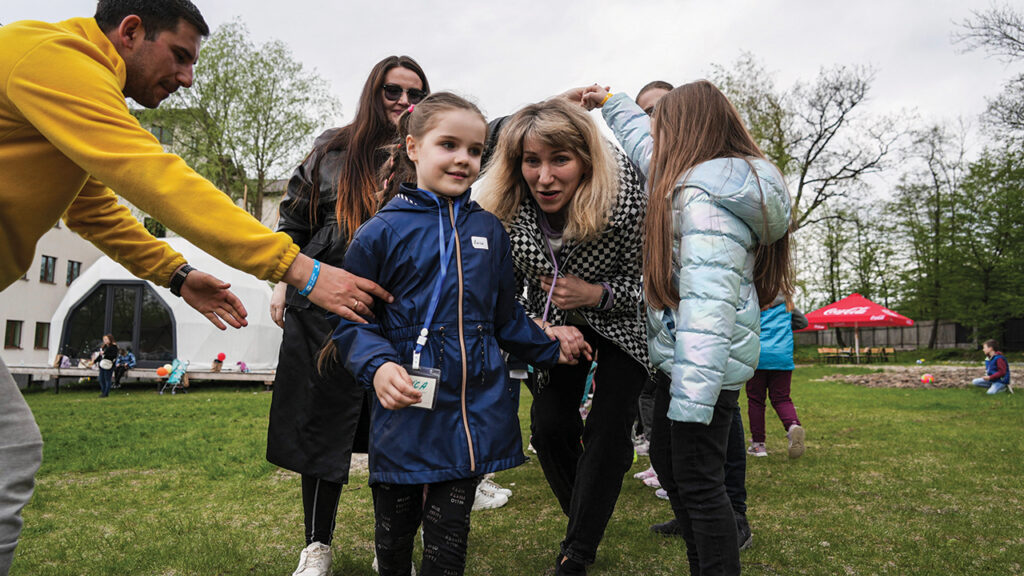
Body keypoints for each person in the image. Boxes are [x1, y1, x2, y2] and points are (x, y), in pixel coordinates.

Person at [0, 3, 390, 574]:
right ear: (131, 30)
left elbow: (92, 208)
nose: (187, 77)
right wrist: (297, 268)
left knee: (11, 454)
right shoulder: (55, 61)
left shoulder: (69, 91)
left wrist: (177, 275)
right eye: (180, 56)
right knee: (10, 457)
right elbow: (155, 176)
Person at [329, 92, 579, 576]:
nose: (463, 159)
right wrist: (378, 365)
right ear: (413, 148)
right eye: (449, 145)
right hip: (406, 409)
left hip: (472, 415)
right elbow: (350, 320)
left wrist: (554, 345)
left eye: (474, 150)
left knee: (449, 541)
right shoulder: (379, 232)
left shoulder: (489, 229)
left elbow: (507, 318)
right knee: (395, 538)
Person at [587, 80, 792, 575]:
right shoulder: (692, 177)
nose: (653, 133)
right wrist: (609, 104)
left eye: (662, 124)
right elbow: (644, 146)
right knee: (675, 467)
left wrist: (691, 397)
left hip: (699, 370)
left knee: (699, 483)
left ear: (683, 131)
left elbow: (708, 304)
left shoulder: (703, 201)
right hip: (681, 363)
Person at [264, 55, 429, 576]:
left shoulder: (428, 153)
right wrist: (281, 279)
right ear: (372, 93)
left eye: (416, 94)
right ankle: (317, 546)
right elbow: (291, 222)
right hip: (323, 309)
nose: (404, 102)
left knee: (399, 430)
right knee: (321, 429)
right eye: (393, 91)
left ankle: (392, 546)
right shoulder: (331, 149)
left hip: (402, 313)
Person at [475, 98, 649, 576]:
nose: (545, 177)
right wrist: (543, 326)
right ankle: (587, 513)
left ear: (586, 161)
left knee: (609, 428)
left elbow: (655, 288)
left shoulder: (628, 199)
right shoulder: (503, 212)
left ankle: (577, 553)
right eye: (532, 161)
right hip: (552, 322)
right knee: (550, 429)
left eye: (560, 160)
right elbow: (502, 293)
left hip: (622, 321)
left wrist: (598, 293)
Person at [746, 295, 809, 458]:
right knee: (782, 398)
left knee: (756, 400)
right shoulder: (787, 304)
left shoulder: (753, 302)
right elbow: (803, 323)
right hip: (782, 357)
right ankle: (793, 427)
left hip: (757, 356)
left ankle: (758, 446)